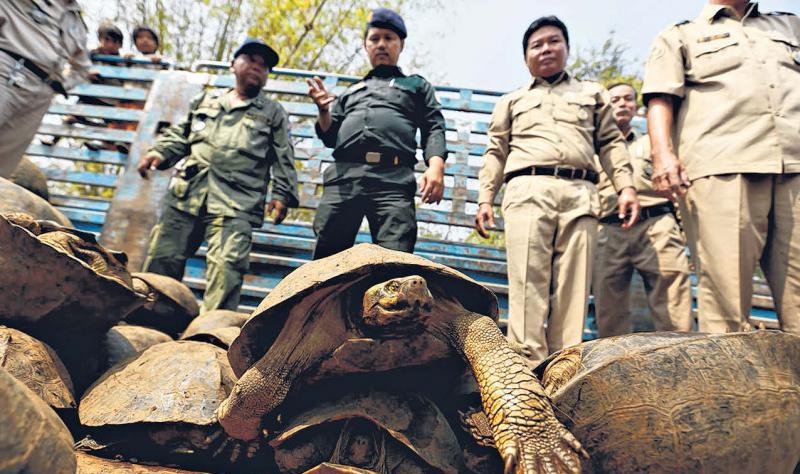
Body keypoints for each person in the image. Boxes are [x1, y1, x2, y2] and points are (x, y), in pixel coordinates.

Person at [475, 16, 640, 362]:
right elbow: (496, 152)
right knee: (527, 285)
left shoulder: (591, 93)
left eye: (553, 41)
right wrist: (485, 198)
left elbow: (610, 142)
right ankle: (528, 366)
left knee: (573, 288)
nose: (546, 49)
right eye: (536, 45)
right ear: (525, 58)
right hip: (527, 190)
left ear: (566, 48)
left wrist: (625, 186)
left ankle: (566, 368)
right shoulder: (512, 100)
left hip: (581, 193)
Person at [643, 1, 800, 334]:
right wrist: (663, 155)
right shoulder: (681, 36)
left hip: (795, 166)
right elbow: (660, 98)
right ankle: (733, 387)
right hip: (723, 169)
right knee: (726, 302)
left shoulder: (789, 26)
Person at [136, 38, 298, 312]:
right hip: (187, 194)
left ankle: (209, 336)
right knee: (162, 258)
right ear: (233, 64)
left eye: (264, 65)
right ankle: (151, 320)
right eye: (250, 60)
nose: (257, 68)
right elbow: (182, 135)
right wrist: (160, 152)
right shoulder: (206, 100)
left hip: (236, 202)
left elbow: (284, 155)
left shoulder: (272, 113)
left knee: (226, 270)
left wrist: (282, 194)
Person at [306, 8, 447, 259]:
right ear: (365, 45)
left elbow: (433, 125)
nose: (381, 44)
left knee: (395, 259)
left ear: (400, 44)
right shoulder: (352, 91)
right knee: (326, 259)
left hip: (393, 180)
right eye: (374, 39)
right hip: (344, 177)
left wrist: (435, 167)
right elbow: (329, 136)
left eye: (388, 38)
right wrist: (323, 110)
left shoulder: (415, 85)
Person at [593, 82, 692, 337]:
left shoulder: (655, 144)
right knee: (609, 311)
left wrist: (683, 233)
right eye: (614, 100)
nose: (621, 104)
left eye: (627, 99)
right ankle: (612, 371)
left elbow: (680, 188)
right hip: (608, 229)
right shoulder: (594, 151)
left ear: (636, 107)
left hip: (657, 223)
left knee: (673, 306)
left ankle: (679, 369)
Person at [0, 0, 94, 176]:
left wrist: (58, 86)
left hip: (43, 92)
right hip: (8, 69)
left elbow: (82, 68)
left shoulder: (75, 21)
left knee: (5, 161)